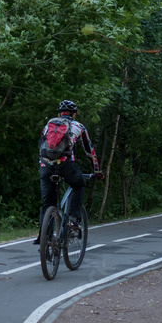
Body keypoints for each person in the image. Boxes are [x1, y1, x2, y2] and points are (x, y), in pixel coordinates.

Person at [35, 100, 103, 244]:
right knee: (79, 184)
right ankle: (73, 219)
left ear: (59, 114)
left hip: (45, 166)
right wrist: (97, 170)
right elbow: (90, 151)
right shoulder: (79, 126)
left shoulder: (49, 125)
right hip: (65, 165)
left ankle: (43, 237)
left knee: (47, 204)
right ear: (74, 114)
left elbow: (42, 145)